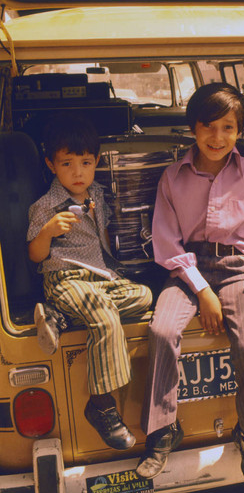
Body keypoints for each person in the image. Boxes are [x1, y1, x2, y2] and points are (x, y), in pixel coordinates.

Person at [136, 83, 244, 485]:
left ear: (239, 131)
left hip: (238, 268)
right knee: (161, 330)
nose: (217, 137)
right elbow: (166, 242)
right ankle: (161, 433)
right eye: (208, 126)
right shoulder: (172, 177)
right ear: (193, 128)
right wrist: (203, 291)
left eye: (228, 127)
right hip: (186, 269)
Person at [27, 113, 152, 450]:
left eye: (85, 162)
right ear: (51, 165)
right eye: (67, 163)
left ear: (96, 161)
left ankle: (60, 316)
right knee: (104, 317)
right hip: (64, 277)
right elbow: (36, 256)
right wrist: (49, 231)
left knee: (144, 296)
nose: (78, 172)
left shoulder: (97, 194)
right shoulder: (45, 206)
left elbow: (107, 241)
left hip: (100, 279)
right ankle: (102, 406)